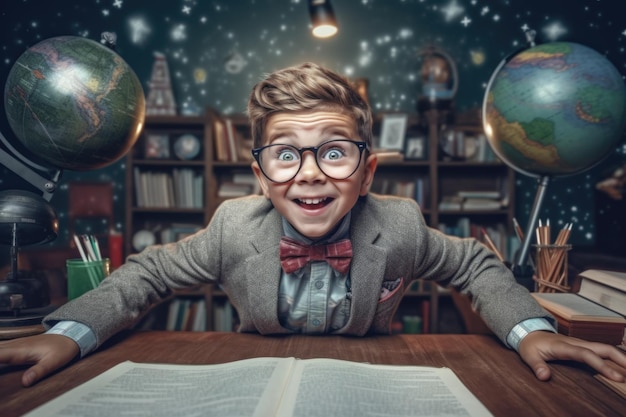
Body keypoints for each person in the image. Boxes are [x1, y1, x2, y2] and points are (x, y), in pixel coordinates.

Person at [1, 62, 625, 387]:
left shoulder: (400, 225)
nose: (310, 174)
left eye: (334, 150)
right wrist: (72, 333)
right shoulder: (231, 228)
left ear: (367, 170)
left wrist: (530, 331)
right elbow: (143, 274)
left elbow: (475, 264)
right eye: (286, 153)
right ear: (261, 174)